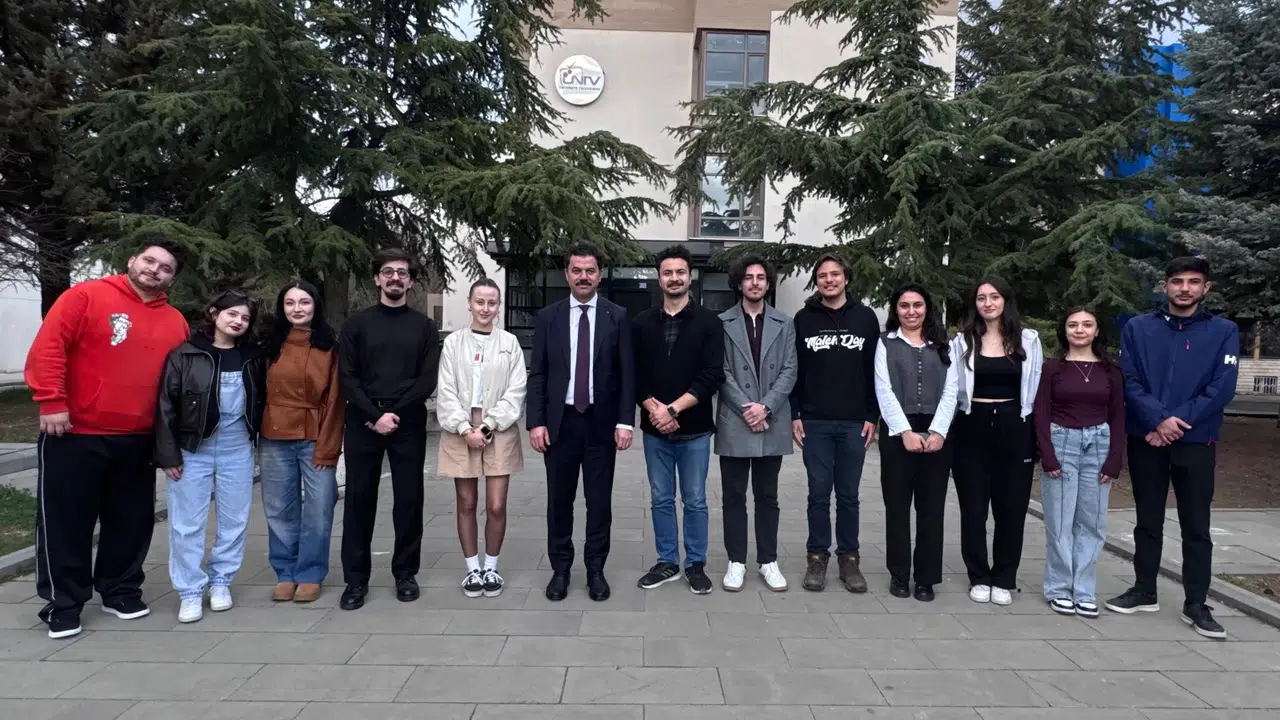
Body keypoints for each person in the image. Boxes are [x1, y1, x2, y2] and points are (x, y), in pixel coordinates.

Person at [24, 239, 190, 639]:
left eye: (165, 268)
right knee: (66, 523)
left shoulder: (175, 322)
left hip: (138, 438)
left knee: (130, 522)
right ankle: (64, 603)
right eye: (149, 260)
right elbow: (49, 348)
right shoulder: (86, 297)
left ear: (171, 279)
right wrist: (52, 401)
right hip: (75, 432)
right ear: (132, 260)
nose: (155, 270)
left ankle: (120, 590)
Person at [1106, 257, 1239, 639]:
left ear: (1205, 288)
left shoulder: (1223, 331)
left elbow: (1222, 386)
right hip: (1147, 439)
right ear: (1165, 286)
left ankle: (1196, 603)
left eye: (1193, 282)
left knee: (1196, 525)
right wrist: (1157, 420)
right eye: (1177, 281)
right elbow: (1129, 380)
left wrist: (1174, 422)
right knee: (1147, 520)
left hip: (1196, 441)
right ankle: (1144, 590)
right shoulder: (1138, 328)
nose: (1184, 288)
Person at [527, 242, 635, 603]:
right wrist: (535, 422)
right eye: (577, 270)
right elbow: (538, 373)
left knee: (599, 503)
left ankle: (595, 570)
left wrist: (625, 422)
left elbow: (627, 373)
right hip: (560, 425)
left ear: (600, 275)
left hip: (601, 425)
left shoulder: (617, 316)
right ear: (567, 274)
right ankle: (560, 570)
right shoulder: (550, 317)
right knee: (559, 502)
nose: (583, 276)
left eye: (590, 270)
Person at [337, 249, 441, 611]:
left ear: (410, 282)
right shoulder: (356, 325)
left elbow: (426, 379)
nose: (395, 277)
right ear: (377, 279)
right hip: (363, 421)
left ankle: (405, 574)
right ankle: (355, 580)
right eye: (388, 272)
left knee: (409, 500)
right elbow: (347, 377)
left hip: (407, 422)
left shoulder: (424, 327)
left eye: (402, 273)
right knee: (359, 501)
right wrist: (373, 414)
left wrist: (393, 413)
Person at [155, 290, 266, 624]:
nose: (238, 321)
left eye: (245, 318)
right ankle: (189, 591)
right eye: (232, 314)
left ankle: (221, 582)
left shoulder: (252, 356)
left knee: (234, 521)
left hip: (237, 449)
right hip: (193, 450)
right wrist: (168, 454)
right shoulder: (186, 355)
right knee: (186, 525)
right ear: (214, 313)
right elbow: (165, 405)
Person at [633, 245, 726, 594]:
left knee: (695, 500)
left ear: (690, 277)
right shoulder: (641, 323)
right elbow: (634, 373)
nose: (674, 278)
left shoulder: (709, 323)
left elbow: (712, 375)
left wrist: (672, 409)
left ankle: (695, 564)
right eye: (668, 272)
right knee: (660, 498)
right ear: (659, 278)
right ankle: (667, 561)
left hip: (695, 430)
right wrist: (654, 409)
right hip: (654, 431)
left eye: (680, 272)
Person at [949, 275, 1044, 606]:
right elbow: (952, 390)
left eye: (994, 297)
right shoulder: (962, 342)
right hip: (971, 427)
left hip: (1014, 427)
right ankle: (978, 575)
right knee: (973, 509)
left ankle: (1004, 578)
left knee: (1011, 509)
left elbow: (1036, 387)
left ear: (1006, 300)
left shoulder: (1028, 340)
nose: (987, 303)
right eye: (981, 298)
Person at [791, 254, 880, 594]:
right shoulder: (803, 319)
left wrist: (872, 415)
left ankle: (849, 559)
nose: (829, 280)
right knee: (817, 493)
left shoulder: (866, 318)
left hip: (855, 423)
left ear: (846, 278)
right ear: (816, 281)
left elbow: (875, 371)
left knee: (848, 495)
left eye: (835, 274)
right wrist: (795, 414)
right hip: (815, 422)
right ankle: (816, 558)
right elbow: (795, 370)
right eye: (822, 275)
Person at [436, 279, 527, 598]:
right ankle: (472, 569)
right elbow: (446, 389)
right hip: (459, 429)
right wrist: (464, 428)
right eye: (480, 302)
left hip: (498, 429)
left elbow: (517, 389)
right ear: (470, 304)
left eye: (492, 303)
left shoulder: (510, 343)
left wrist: (488, 426)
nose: (485, 308)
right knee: (466, 502)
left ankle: (491, 567)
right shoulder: (453, 343)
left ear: (498, 307)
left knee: (496, 504)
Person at [1034, 307, 1124, 618]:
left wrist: (1114, 459)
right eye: (1073, 325)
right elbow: (1041, 412)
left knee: (1092, 523)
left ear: (1097, 331)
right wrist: (1047, 454)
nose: (1080, 330)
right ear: (1065, 331)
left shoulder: (1111, 372)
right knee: (1060, 522)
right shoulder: (1052, 368)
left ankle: (1084, 590)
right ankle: (1059, 588)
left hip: (1098, 446)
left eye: (1087, 325)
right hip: (1062, 443)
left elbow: (1118, 416)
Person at [259, 281, 345, 604]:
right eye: (290, 302)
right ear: (281, 307)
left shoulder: (330, 346)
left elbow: (336, 400)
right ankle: (285, 572)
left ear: (315, 306)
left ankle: (310, 572)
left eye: (304, 302)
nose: (297, 309)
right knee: (279, 507)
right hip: (274, 434)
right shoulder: (270, 344)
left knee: (320, 506)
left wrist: (329, 445)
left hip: (315, 433)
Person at [714, 255, 796, 592]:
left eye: (761, 277)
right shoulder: (721, 323)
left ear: (768, 283)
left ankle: (768, 561)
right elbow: (720, 370)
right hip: (735, 420)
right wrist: (748, 408)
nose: (755, 283)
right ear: (739, 283)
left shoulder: (785, 323)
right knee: (733, 495)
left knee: (767, 496)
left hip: (771, 420)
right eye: (748, 277)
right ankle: (736, 561)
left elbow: (790, 369)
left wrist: (766, 407)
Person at [873, 284, 959, 603]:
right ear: (896, 309)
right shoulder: (885, 343)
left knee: (931, 509)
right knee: (897, 507)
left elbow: (952, 389)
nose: (911, 311)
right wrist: (904, 432)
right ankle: (899, 574)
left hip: (938, 430)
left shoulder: (945, 344)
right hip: (898, 431)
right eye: (904, 305)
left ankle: (925, 578)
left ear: (927, 308)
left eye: (917, 305)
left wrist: (939, 431)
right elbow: (883, 389)